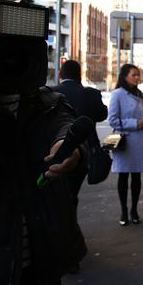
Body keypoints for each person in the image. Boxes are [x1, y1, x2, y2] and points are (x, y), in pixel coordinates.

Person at [0, 0, 86, 285]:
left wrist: (72, 149)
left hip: (42, 264)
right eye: (5, 52)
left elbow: (64, 125)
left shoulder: (47, 102)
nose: (13, 60)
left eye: (24, 52)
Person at [52, 60, 108, 201]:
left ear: (60, 74)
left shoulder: (52, 93)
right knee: (72, 191)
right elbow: (102, 115)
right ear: (79, 75)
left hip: (54, 150)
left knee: (57, 192)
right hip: (85, 150)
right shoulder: (91, 94)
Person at [108, 64, 143, 226]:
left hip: (139, 140)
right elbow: (112, 120)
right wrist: (136, 123)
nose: (137, 78)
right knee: (123, 176)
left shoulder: (139, 93)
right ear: (125, 76)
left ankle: (134, 210)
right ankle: (123, 210)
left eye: (138, 75)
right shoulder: (117, 94)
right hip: (124, 141)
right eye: (134, 75)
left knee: (136, 176)